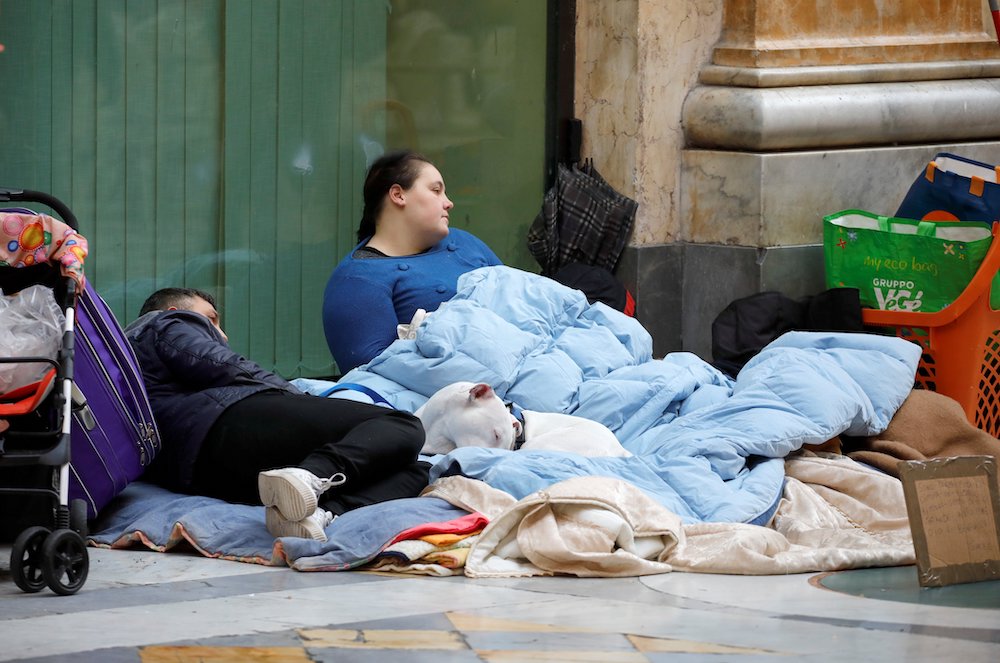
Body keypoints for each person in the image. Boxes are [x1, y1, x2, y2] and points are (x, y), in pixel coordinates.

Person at [124, 287, 429, 542]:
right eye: (211, 320)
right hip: (225, 422)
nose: (223, 335)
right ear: (175, 310)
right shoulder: (162, 323)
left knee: (415, 470)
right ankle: (312, 476)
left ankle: (317, 511)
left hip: (203, 474)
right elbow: (225, 366)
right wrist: (296, 396)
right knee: (402, 425)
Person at [322, 150, 502, 373]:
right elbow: (375, 376)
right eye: (436, 191)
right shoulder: (357, 279)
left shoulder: (465, 242)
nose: (449, 203)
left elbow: (522, 301)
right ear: (398, 195)